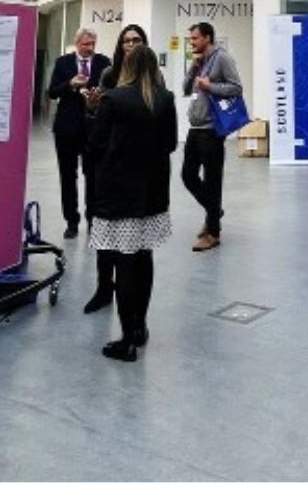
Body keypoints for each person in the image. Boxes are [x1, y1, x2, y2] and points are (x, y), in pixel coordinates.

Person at [88, 45, 177, 361]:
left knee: (124, 263)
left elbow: (96, 144)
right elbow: (169, 144)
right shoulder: (165, 99)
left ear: (127, 66)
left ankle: (126, 340)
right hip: (152, 193)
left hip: (119, 193)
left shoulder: (114, 98)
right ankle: (140, 327)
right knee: (143, 258)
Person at [81, 24, 150, 315]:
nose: (130, 45)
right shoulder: (109, 75)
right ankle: (103, 287)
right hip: (105, 163)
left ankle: (128, 301)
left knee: (135, 238)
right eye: (126, 41)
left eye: (136, 40)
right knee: (102, 226)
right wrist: (93, 108)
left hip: (136, 166)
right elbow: (100, 122)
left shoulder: (151, 81)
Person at [181, 22, 242, 252]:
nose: (192, 42)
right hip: (195, 127)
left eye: (195, 38)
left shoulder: (222, 58)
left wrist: (210, 86)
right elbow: (186, 89)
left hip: (212, 129)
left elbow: (236, 88)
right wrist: (193, 69)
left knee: (212, 180)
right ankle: (214, 210)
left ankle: (213, 233)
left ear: (207, 38)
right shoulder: (200, 61)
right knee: (188, 175)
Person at [46, 29, 110, 239]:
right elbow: (52, 91)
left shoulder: (104, 62)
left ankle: (94, 221)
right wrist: (70, 85)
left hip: (94, 129)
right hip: (66, 128)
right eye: (86, 44)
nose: (90, 48)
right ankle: (71, 222)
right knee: (67, 176)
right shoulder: (63, 62)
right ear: (76, 44)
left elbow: (111, 91)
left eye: (93, 43)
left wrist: (98, 96)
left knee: (93, 177)